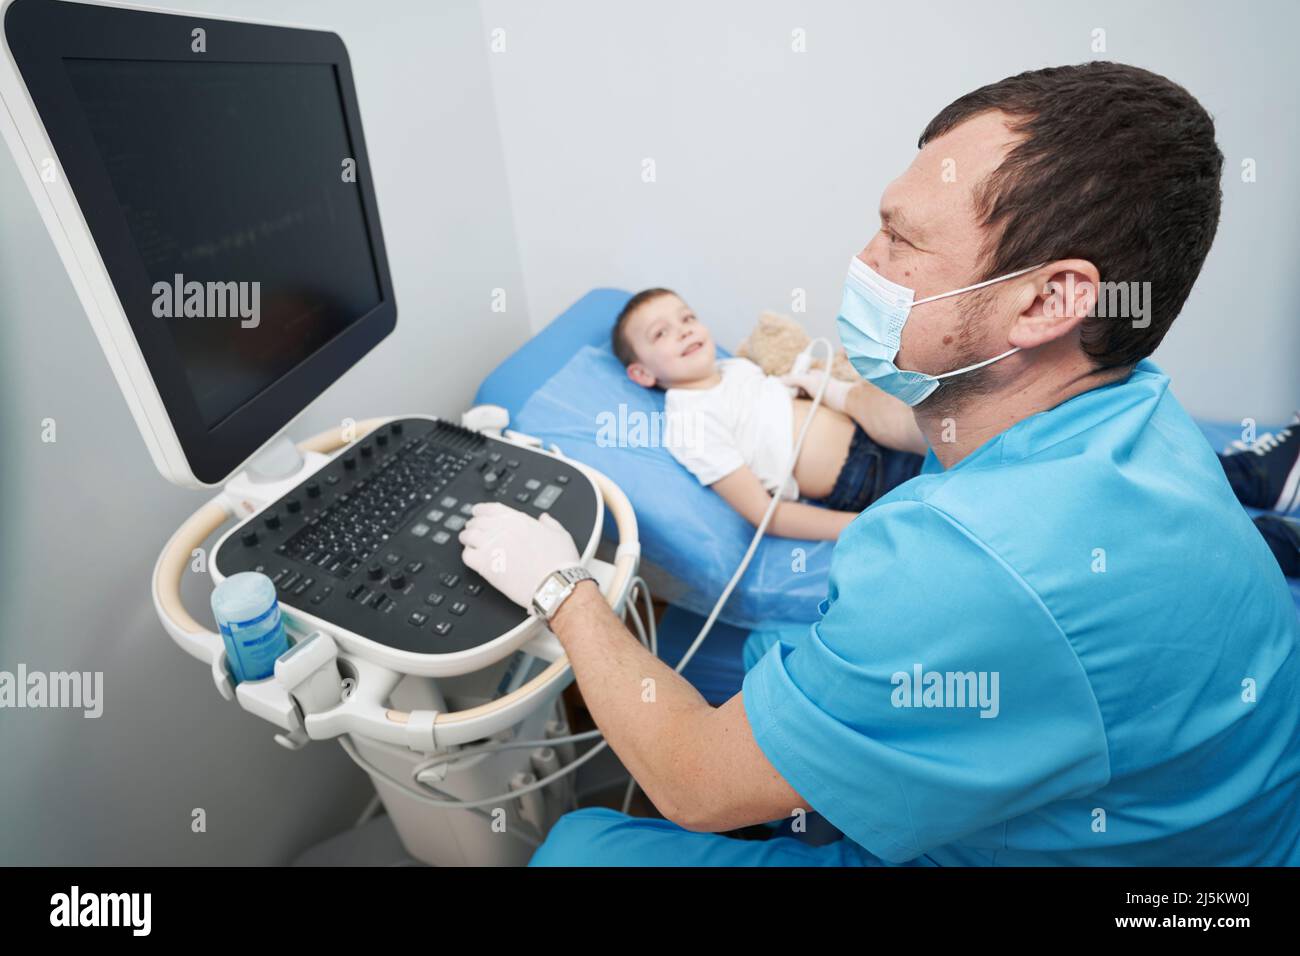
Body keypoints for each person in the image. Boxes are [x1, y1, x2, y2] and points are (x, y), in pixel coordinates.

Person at [460, 61, 1300, 865]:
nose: (864, 263)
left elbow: (693, 782)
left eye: (902, 241)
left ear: (1048, 300)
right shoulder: (1139, 404)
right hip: (1224, 823)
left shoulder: (962, 564)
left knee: (578, 848)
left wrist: (561, 589)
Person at [610, 288, 926, 539]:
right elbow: (764, 513)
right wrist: (860, 526)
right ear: (642, 374)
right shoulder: (690, 424)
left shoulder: (735, 367)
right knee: (939, 516)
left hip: (877, 430)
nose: (683, 331)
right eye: (660, 333)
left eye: (687, 318)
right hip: (862, 478)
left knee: (960, 462)